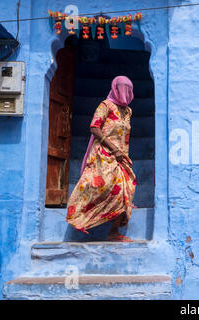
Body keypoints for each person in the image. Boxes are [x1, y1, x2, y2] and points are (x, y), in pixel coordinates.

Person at [66, 76, 137, 242]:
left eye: (127, 88)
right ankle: (81, 219)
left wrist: (122, 154)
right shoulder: (106, 105)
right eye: (121, 87)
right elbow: (94, 127)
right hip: (103, 154)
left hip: (121, 157)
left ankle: (113, 232)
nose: (124, 91)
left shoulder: (128, 111)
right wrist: (113, 148)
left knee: (125, 191)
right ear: (114, 88)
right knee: (102, 187)